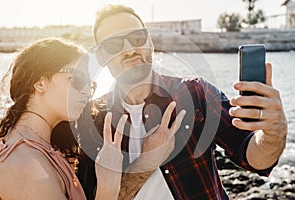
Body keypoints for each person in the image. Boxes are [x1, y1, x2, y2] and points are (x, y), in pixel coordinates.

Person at [59, 4, 287, 200]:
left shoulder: (196, 93)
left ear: (149, 42)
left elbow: (254, 158)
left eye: (136, 38)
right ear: (100, 57)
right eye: (113, 44)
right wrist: (144, 164)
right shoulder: (91, 118)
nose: (129, 50)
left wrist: (272, 133)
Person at [0, 37, 130, 200]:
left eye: (91, 85)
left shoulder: (36, 148)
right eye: (78, 80)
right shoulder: (27, 164)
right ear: (40, 83)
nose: (86, 91)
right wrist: (108, 186)